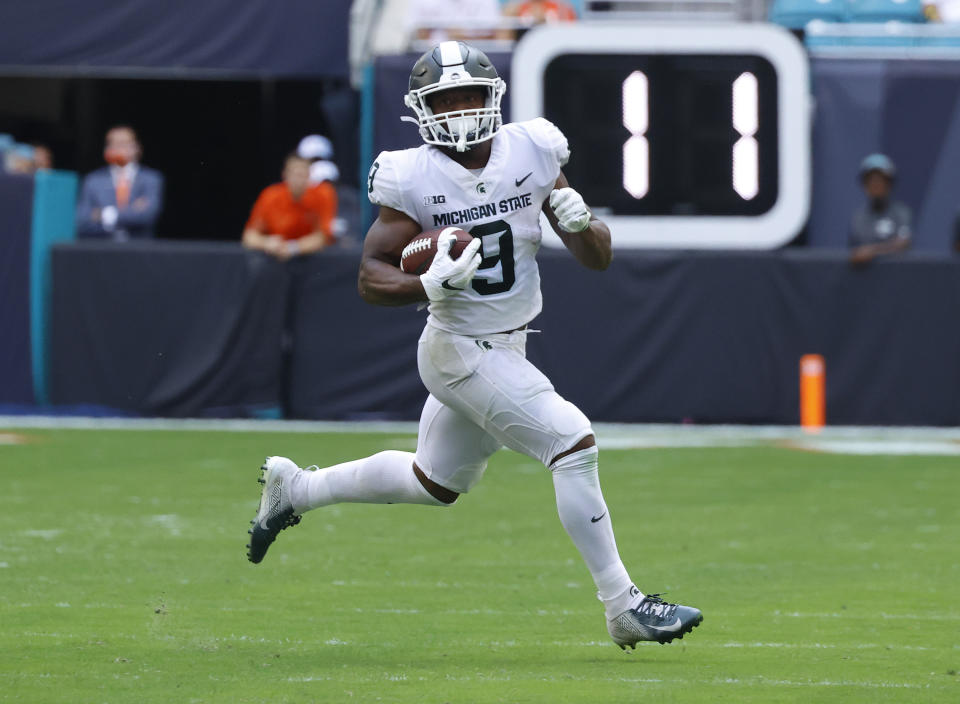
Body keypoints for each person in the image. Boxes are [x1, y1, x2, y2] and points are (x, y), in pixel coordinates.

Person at [246, 41, 703, 650]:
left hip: (508, 345)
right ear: (422, 109)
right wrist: (423, 283)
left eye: (470, 96)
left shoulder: (534, 150)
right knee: (572, 441)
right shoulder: (412, 175)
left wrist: (580, 222)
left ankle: (294, 489)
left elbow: (597, 257)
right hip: (457, 346)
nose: (460, 110)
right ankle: (623, 605)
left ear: (493, 98)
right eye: (446, 99)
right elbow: (369, 276)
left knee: (432, 482)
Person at [241, 153, 337, 260]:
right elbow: (249, 236)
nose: (298, 180)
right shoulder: (270, 196)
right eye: (294, 174)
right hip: (275, 261)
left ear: (309, 176)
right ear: (285, 175)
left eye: (302, 175)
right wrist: (267, 243)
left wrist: (293, 248)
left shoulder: (323, 194)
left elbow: (323, 237)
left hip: (311, 263)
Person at [75, 126, 164, 240]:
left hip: (140, 250)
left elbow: (148, 215)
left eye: (123, 143)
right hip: (101, 249)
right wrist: (131, 211)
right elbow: (82, 219)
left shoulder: (151, 179)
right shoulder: (93, 180)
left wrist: (103, 214)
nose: (118, 148)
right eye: (112, 143)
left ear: (137, 147)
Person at [849, 153, 912, 266]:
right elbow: (856, 251)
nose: (876, 185)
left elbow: (903, 244)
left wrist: (872, 251)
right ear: (865, 185)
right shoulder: (859, 218)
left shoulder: (901, 213)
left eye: (880, 181)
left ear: (889, 184)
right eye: (871, 181)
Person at [406, 0, 513, 43]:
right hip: (431, 61)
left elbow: (496, 36)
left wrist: (463, 39)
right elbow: (414, 34)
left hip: (474, 61)